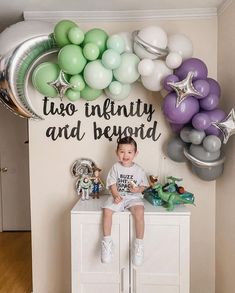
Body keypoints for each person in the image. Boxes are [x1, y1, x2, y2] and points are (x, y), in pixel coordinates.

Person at [101, 136, 149, 266]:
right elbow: (112, 184)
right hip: (118, 196)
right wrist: (115, 195)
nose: (125, 155)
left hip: (133, 197)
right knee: (107, 211)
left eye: (129, 152)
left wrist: (138, 189)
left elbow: (144, 186)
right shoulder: (115, 167)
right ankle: (107, 243)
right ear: (117, 152)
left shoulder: (139, 170)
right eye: (122, 151)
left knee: (139, 212)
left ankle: (138, 245)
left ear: (135, 153)